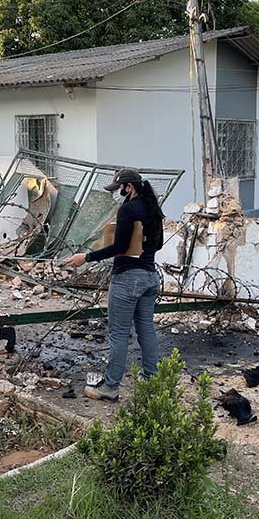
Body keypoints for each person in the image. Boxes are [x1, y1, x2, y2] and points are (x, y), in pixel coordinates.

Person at [64, 168, 164, 401]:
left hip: (128, 278)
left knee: (118, 334)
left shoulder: (129, 208)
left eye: (120, 188)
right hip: (149, 276)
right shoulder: (153, 208)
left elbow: (119, 247)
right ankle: (152, 381)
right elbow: (157, 245)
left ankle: (110, 387)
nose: (118, 193)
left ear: (128, 187)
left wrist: (86, 257)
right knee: (146, 330)